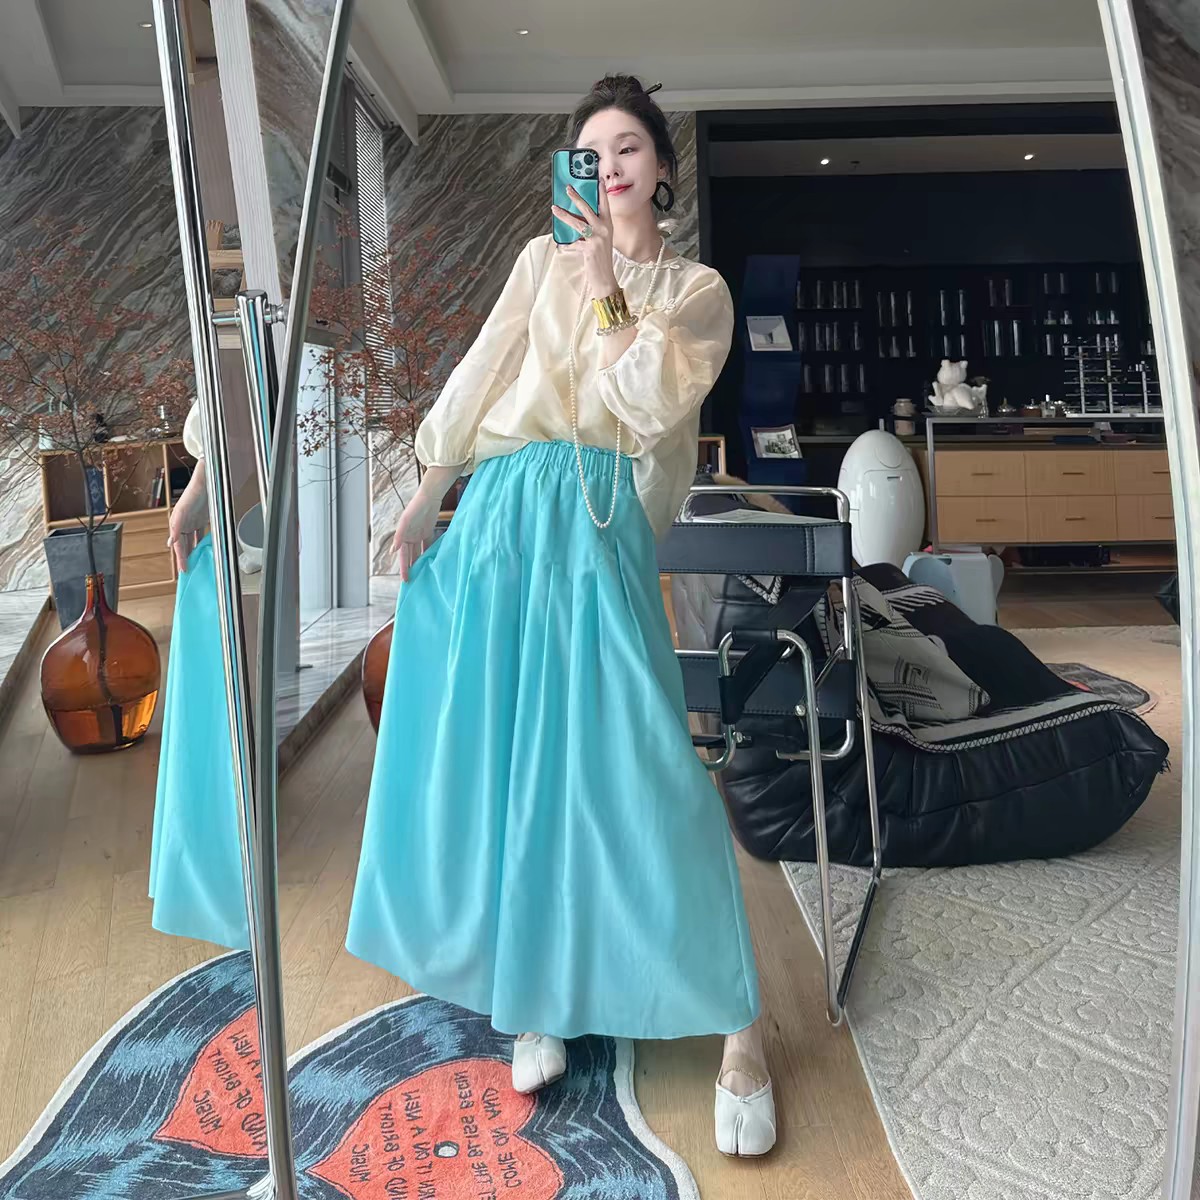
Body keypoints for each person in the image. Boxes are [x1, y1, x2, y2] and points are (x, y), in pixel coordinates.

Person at [344, 74, 777, 1157]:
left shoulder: (696, 290)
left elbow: (644, 402)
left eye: (629, 147)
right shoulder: (537, 260)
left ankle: (742, 1026)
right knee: (512, 763)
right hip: (503, 513)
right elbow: (483, 371)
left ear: (662, 166)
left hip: (598, 522)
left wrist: (605, 282)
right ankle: (536, 990)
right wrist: (426, 498)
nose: (611, 166)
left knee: (647, 769)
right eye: (593, 152)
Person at [148, 406, 251, 952]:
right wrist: (200, 489)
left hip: (248, 512)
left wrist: (197, 489)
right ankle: (229, 879)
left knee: (217, 704)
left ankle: (228, 879)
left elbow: (226, 400)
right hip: (249, 511)